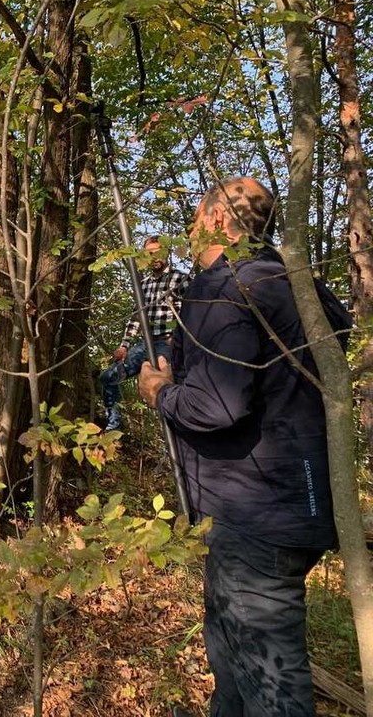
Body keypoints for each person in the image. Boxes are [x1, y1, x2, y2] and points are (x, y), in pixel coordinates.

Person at [138, 177, 351, 716]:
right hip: (298, 504)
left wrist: (161, 392)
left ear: (216, 220)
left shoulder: (224, 287)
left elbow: (216, 405)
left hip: (254, 512)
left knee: (270, 676)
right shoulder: (295, 284)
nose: (190, 229)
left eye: (196, 216)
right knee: (230, 648)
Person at [100, 235, 190, 431]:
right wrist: (124, 346)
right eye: (149, 253)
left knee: (164, 387)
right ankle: (114, 427)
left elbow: (196, 312)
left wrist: (182, 339)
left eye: (158, 252)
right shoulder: (144, 284)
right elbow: (136, 318)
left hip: (170, 344)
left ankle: (176, 440)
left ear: (166, 252)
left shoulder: (181, 279)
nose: (154, 257)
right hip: (146, 344)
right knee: (108, 377)